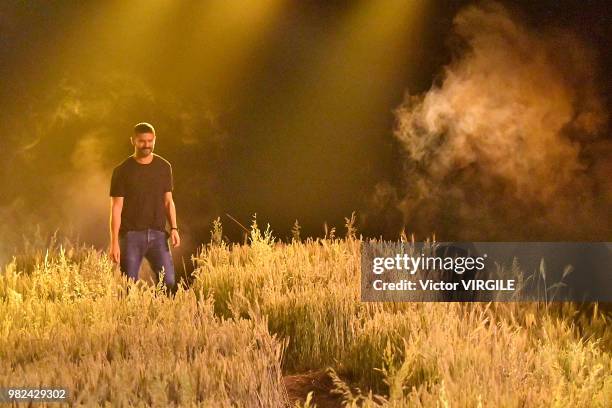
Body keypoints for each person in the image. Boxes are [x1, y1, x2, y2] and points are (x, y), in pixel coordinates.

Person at [108, 122, 180, 294]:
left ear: (155, 139)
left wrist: (174, 228)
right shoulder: (122, 171)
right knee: (128, 287)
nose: (146, 145)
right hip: (131, 236)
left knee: (169, 282)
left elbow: (168, 201)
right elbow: (116, 208)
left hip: (158, 235)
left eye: (150, 141)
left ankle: (160, 317)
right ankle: (129, 319)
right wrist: (114, 243)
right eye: (142, 141)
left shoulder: (164, 167)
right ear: (133, 141)